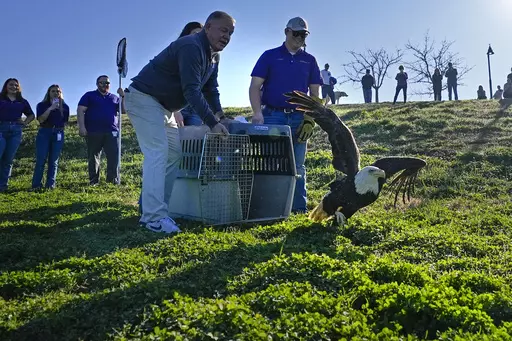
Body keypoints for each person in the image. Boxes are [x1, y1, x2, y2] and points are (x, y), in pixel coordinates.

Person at [125, 11, 233, 233]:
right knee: (158, 152)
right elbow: (192, 90)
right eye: (223, 30)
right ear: (208, 27)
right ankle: (153, 218)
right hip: (144, 99)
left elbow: (211, 89)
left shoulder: (214, 57)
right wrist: (212, 123)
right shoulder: (191, 46)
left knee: (174, 154)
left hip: (164, 108)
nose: (227, 36)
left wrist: (220, 116)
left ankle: (157, 211)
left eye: (231, 33)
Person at [249, 16, 322, 214]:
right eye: (296, 33)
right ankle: (271, 207)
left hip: (299, 117)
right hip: (273, 115)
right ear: (286, 32)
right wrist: (257, 113)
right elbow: (255, 87)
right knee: (272, 161)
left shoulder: (309, 60)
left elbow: (315, 94)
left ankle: (298, 208)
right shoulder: (270, 56)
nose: (300, 37)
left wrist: (310, 118)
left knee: (298, 164)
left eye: (304, 34)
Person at [77, 75, 125, 186]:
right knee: (94, 157)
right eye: (102, 83)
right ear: (97, 84)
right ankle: (94, 181)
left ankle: (112, 180)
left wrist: (123, 96)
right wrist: (82, 127)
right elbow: (80, 110)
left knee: (114, 156)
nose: (105, 85)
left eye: (107, 83)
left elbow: (123, 111)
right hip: (94, 131)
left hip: (112, 131)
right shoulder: (89, 96)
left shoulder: (114, 97)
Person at [31, 84, 70, 190]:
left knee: (54, 160)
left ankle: (50, 185)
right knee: (41, 159)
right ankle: (36, 185)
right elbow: (41, 120)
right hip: (45, 132)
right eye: (53, 91)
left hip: (58, 133)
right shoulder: (41, 105)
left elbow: (65, 122)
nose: (56, 93)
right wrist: (50, 108)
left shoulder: (65, 107)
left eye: (58, 91)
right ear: (48, 93)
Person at [0, 78, 35, 192]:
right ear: (6, 86)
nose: (13, 87)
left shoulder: (22, 101)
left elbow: (31, 115)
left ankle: (3, 186)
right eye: (11, 85)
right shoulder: (1, 98)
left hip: (16, 130)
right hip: (1, 128)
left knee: (8, 159)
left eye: (16, 85)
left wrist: (24, 123)